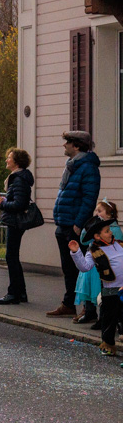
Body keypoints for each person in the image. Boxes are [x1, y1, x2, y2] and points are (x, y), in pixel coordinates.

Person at [49, 131, 101, 318]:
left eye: (68, 142)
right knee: (68, 268)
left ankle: (88, 309)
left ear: (77, 146)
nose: (65, 145)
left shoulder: (87, 168)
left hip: (74, 226)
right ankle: (68, 304)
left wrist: (78, 224)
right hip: (63, 224)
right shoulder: (72, 166)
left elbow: (89, 199)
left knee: (82, 268)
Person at [68, 218, 123, 356]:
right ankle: (108, 344)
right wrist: (76, 253)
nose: (110, 233)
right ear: (97, 236)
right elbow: (85, 267)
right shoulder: (93, 250)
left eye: (109, 230)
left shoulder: (119, 244)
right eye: (106, 231)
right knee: (109, 318)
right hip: (110, 290)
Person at [0, 148, 34, 305]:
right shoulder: (20, 178)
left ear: (16, 161)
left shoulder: (18, 179)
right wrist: (5, 201)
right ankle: (20, 292)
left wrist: (3, 203)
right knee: (13, 256)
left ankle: (14, 293)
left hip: (15, 222)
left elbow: (19, 204)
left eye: (9, 157)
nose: (6, 160)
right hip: (15, 221)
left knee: (11, 257)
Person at [75, 200, 120, 327]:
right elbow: (84, 241)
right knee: (88, 287)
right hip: (92, 261)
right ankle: (89, 311)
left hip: (102, 264)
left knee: (100, 291)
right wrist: (88, 227)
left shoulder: (113, 229)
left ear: (109, 214)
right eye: (96, 210)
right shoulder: (97, 227)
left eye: (100, 211)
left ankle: (103, 317)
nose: (96, 213)